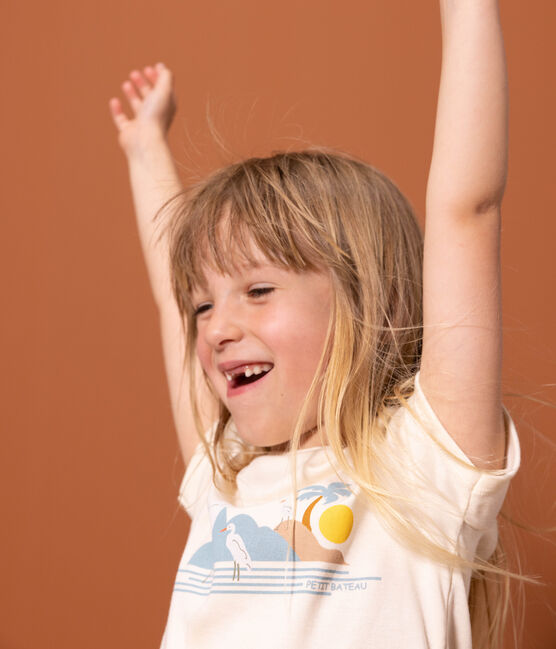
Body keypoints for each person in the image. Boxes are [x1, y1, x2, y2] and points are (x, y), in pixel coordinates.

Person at [108, 1, 522, 647]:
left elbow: (468, 210)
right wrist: (144, 150)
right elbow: (172, 298)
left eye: (258, 290)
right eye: (206, 307)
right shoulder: (224, 474)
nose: (215, 329)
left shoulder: (426, 465)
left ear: (370, 302)